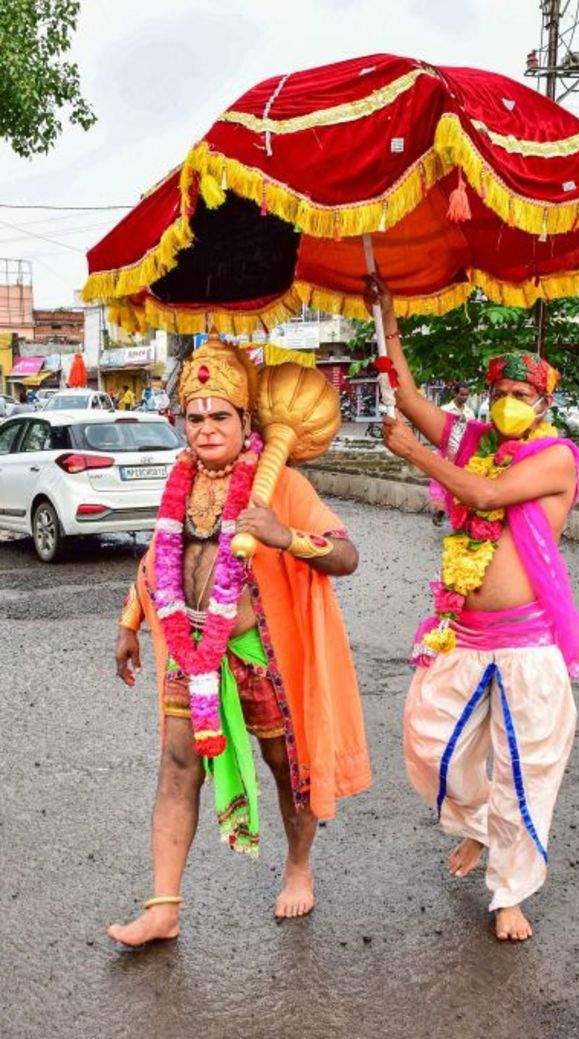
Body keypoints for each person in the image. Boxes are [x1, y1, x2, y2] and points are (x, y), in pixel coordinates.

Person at [109, 339, 371, 946]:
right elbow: (161, 557)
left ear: (247, 421)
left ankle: (298, 868)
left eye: (219, 415)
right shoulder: (180, 479)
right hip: (188, 650)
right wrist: (130, 619)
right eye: (194, 417)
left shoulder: (283, 485)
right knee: (177, 768)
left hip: (261, 653)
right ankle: (163, 908)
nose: (204, 429)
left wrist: (286, 536)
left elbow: (347, 556)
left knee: (289, 769)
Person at [365, 273, 579, 943]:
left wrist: (414, 454)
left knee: (524, 768)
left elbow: (485, 495)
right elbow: (408, 397)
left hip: (527, 643)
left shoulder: (557, 457)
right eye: (497, 392)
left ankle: (509, 893)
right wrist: (387, 317)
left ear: (544, 400)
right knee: (428, 738)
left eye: (520, 395)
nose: (506, 403)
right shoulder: (474, 442)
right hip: (463, 634)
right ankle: (474, 825)